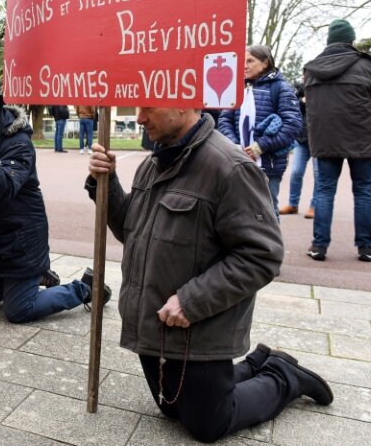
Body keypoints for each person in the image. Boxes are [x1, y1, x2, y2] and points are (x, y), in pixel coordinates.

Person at [86, 107, 333, 443]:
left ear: (183, 102)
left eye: (148, 108)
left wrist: (191, 301)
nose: (140, 119)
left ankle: (281, 374)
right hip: (156, 325)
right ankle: (256, 364)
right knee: (172, 408)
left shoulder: (229, 167)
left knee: (209, 424)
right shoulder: (155, 161)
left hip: (199, 329)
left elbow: (262, 256)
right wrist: (107, 183)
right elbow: (132, 231)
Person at [0, 77, 108, 324]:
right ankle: (31, 279)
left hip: (19, 240)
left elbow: (3, 190)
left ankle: (86, 288)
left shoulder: (19, 142)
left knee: (18, 311)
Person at [303, 19, 371, 262]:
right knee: (363, 192)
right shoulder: (366, 66)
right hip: (361, 138)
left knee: (324, 191)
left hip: (325, 139)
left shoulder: (312, 69)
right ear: (351, 40)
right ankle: (365, 247)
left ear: (329, 41)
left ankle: (319, 246)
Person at [217, 45, 302, 218]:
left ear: (265, 63)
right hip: (238, 161)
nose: (244, 66)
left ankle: (270, 238)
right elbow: (224, 120)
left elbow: (292, 125)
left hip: (268, 164)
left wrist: (261, 146)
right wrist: (234, 145)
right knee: (238, 210)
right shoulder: (235, 88)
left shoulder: (281, 88)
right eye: (242, 61)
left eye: (250, 61)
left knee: (267, 211)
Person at [279, 82, 317, 219]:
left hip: (319, 140)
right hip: (302, 139)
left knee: (319, 175)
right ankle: (293, 204)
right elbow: (291, 107)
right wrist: (302, 101)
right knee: (296, 172)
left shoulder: (324, 88)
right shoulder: (300, 90)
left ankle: (315, 206)